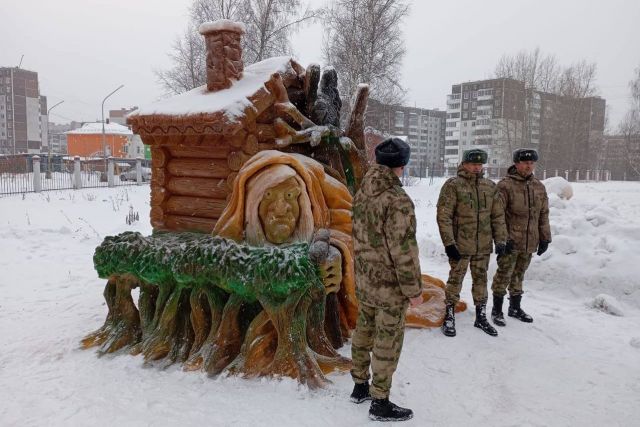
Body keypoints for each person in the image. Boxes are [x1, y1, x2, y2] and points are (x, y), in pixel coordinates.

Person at [349, 137, 423, 422]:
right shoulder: (397, 199)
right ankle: (380, 402)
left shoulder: (363, 191)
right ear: (401, 166)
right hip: (390, 286)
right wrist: (413, 289)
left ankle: (359, 386)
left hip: (366, 279)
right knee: (387, 340)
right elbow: (404, 250)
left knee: (364, 331)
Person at [437, 149, 507, 337]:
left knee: (481, 280)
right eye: (473, 164)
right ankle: (449, 314)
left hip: (483, 245)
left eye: (480, 165)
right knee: (455, 279)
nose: (477, 168)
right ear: (464, 164)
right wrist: (449, 243)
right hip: (460, 245)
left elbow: (498, 216)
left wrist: (500, 239)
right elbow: (444, 216)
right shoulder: (453, 186)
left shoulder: (489, 186)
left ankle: (481, 315)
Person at [490, 148, 551, 326]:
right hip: (510, 241)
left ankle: (515, 308)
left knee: (519, 274)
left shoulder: (538, 187)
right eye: (525, 163)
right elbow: (497, 215)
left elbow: (543, 214)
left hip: (529, 240)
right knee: (504, 274)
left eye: (531, 163)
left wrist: (545, 237)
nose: (528, 166)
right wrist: (502, 239)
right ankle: (497, 310)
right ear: (516, 164)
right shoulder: (505, 186)